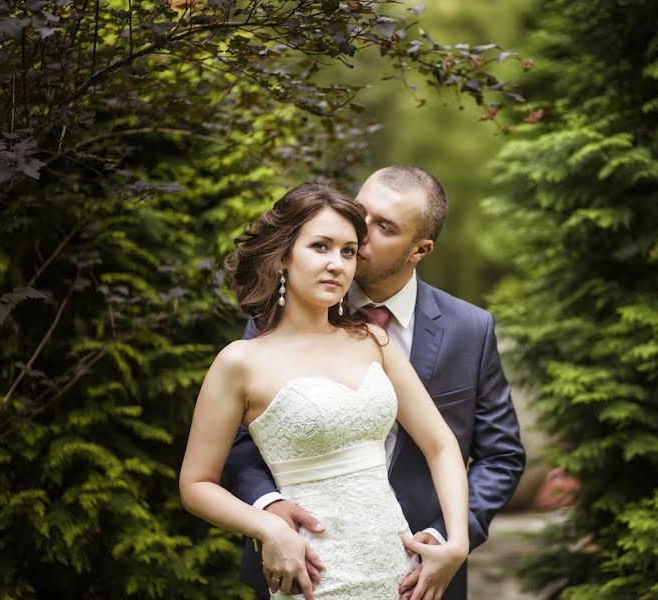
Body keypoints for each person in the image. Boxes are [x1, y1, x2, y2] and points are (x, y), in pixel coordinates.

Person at [224, 167, 526, 600]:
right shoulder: (279, 320)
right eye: (360, 212)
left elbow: (500, 456)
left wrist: (447, 540)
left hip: (423, 578)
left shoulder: (470, 329)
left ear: (419, 249)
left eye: (383, 227)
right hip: (303, 569)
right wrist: (267, 509)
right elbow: (238, 436)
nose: (360, 233)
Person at [180, 182, 470, 600]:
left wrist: (456, 542)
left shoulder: (374, 341)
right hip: (312, 576)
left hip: (400, 574)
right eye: (320, 246)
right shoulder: (239, 362)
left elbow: (441, 444)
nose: (337, 264)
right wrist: (268, 527)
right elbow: (196, 484)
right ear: (282, 256)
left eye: (348, 251)